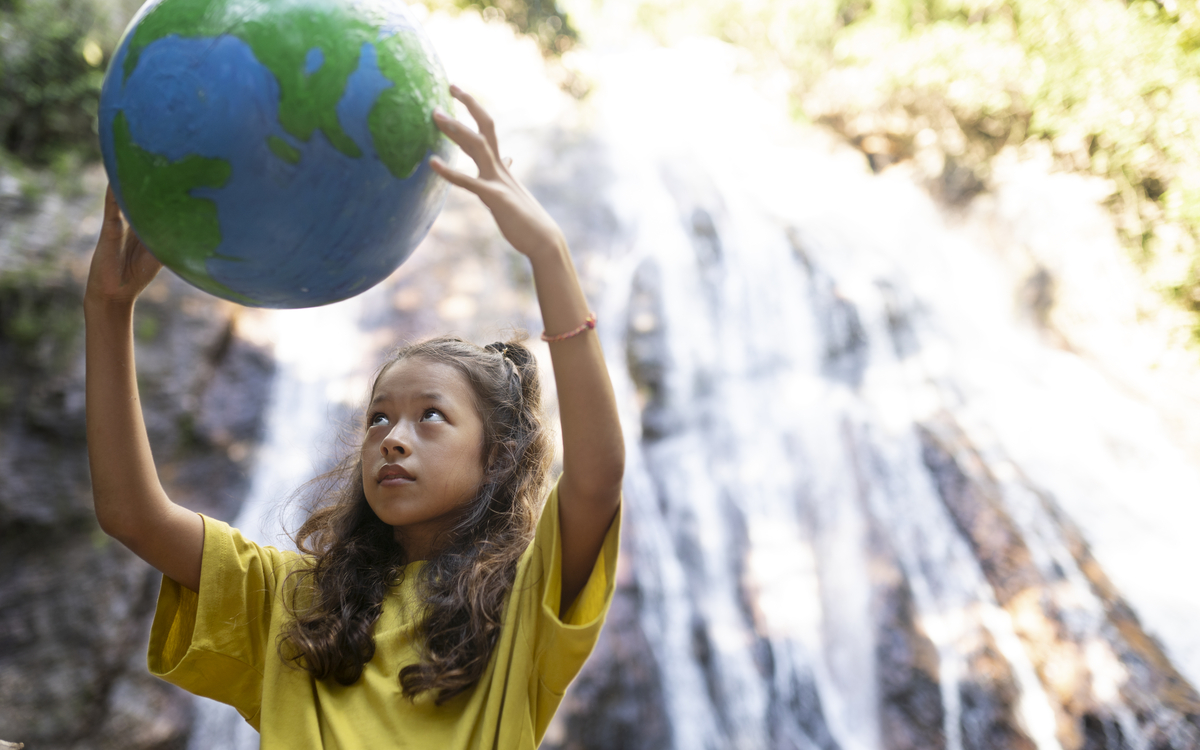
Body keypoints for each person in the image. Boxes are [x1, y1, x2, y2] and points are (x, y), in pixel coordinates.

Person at [84, 86, 624, 749]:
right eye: (377, 419)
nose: (393, 439)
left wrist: (548, 253)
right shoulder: (292, 602)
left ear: (500, 452)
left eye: (431, 417)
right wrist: (109, 311)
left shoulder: (522, 607)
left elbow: (597, 479)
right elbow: (133, 516)